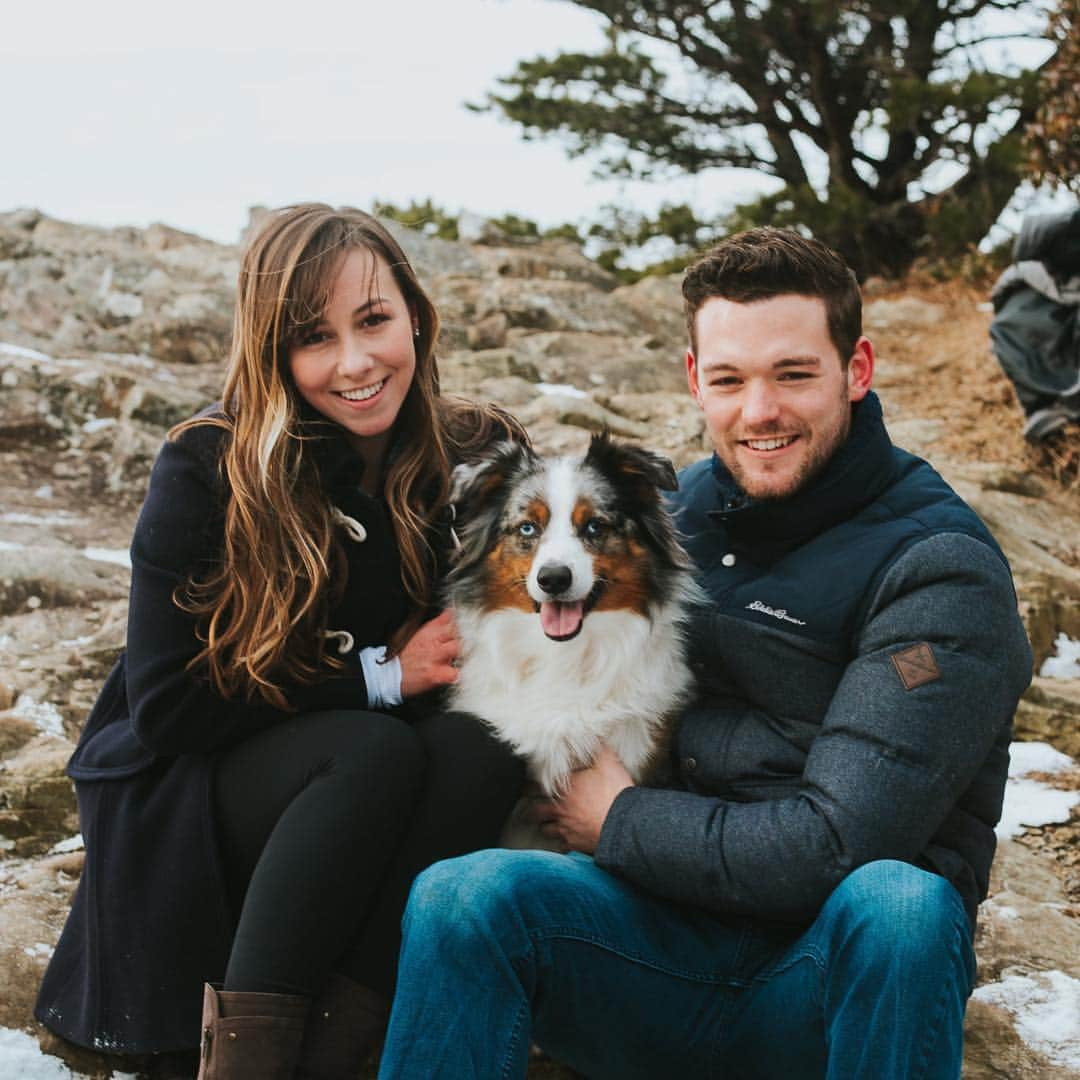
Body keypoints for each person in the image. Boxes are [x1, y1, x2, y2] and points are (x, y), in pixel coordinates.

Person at [377, 228, 1034, 1080]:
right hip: (647, 948)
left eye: (793, 374)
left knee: (902, 903)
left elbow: (840, 843)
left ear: (857, 369)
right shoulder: (674, 514)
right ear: (695, 381)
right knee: (463, 895)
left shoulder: (939, 568)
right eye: (729, 380)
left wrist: (618, 819)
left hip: (823, 983)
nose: (759, 411)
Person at [34, 204, 526, 1080]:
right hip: (200, 773)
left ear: (414, 311)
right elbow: (169, 706)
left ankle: (342, 1053)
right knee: (368, 750)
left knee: (480, 744)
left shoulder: (475, 449)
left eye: (373, 320)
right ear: (273, 353)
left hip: (380, 767)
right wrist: (379, 673)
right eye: (314, 338)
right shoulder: (210, 464)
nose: (356, 362)